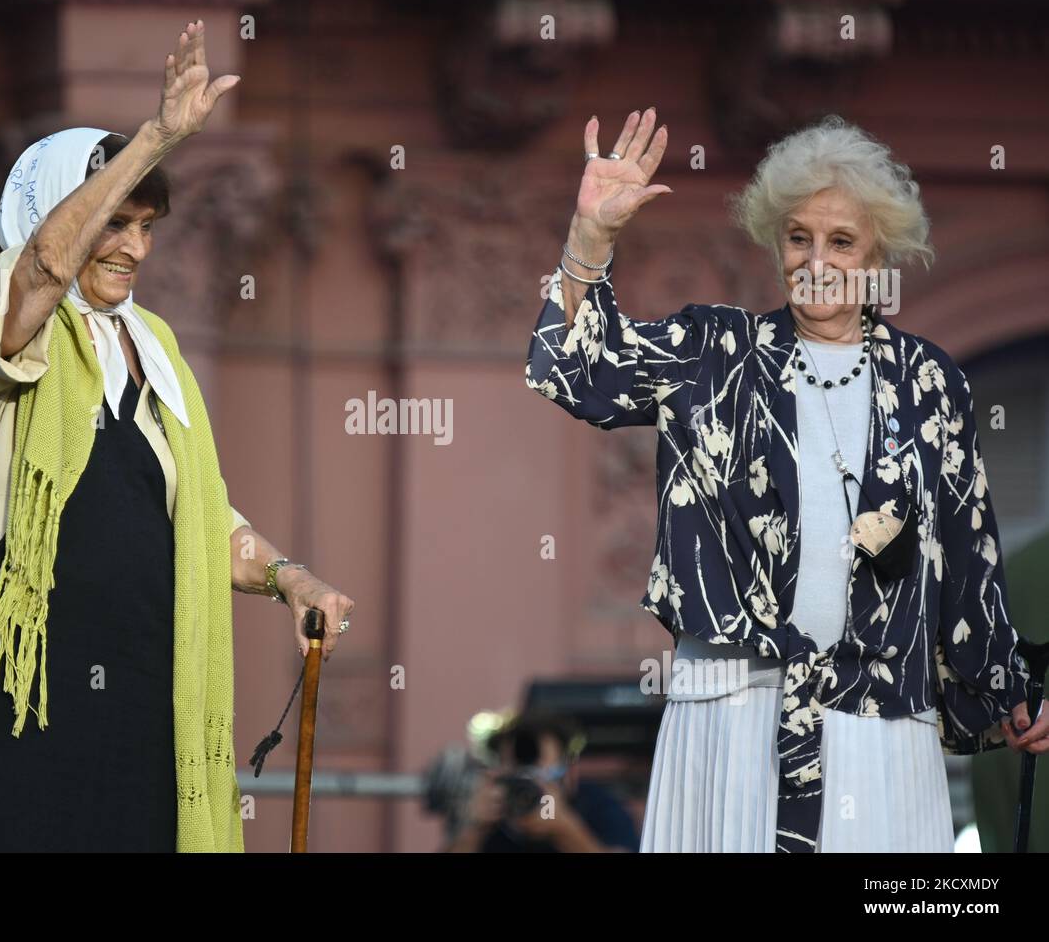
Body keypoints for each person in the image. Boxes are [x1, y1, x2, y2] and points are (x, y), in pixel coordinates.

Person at [525, 108, 1049, 852]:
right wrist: (591, 237)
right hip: (731, 718)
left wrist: (1010, 691)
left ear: (879, 254)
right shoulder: (716, 353)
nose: (817, 258)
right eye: (799, 237)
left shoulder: (931, 381)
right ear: (777, 244)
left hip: (878, 728)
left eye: (842, 240)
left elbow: (968, 556)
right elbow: (574, 370)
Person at [0, 20, 354, 852]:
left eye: (148, 226)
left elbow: (203, 519)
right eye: (116, 221)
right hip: (24, 675)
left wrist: (292, 580)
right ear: (57, 211)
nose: (134, 248)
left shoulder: (155, 346)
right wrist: (156, 137)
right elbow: (43, 270)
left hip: (148, 679)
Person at [444, 714, 638, 852]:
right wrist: (473, 831)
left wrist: (564, 829)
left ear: (569, 773)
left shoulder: (597, 806)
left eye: (538, 772)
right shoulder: (490, 820)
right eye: (517, 773)